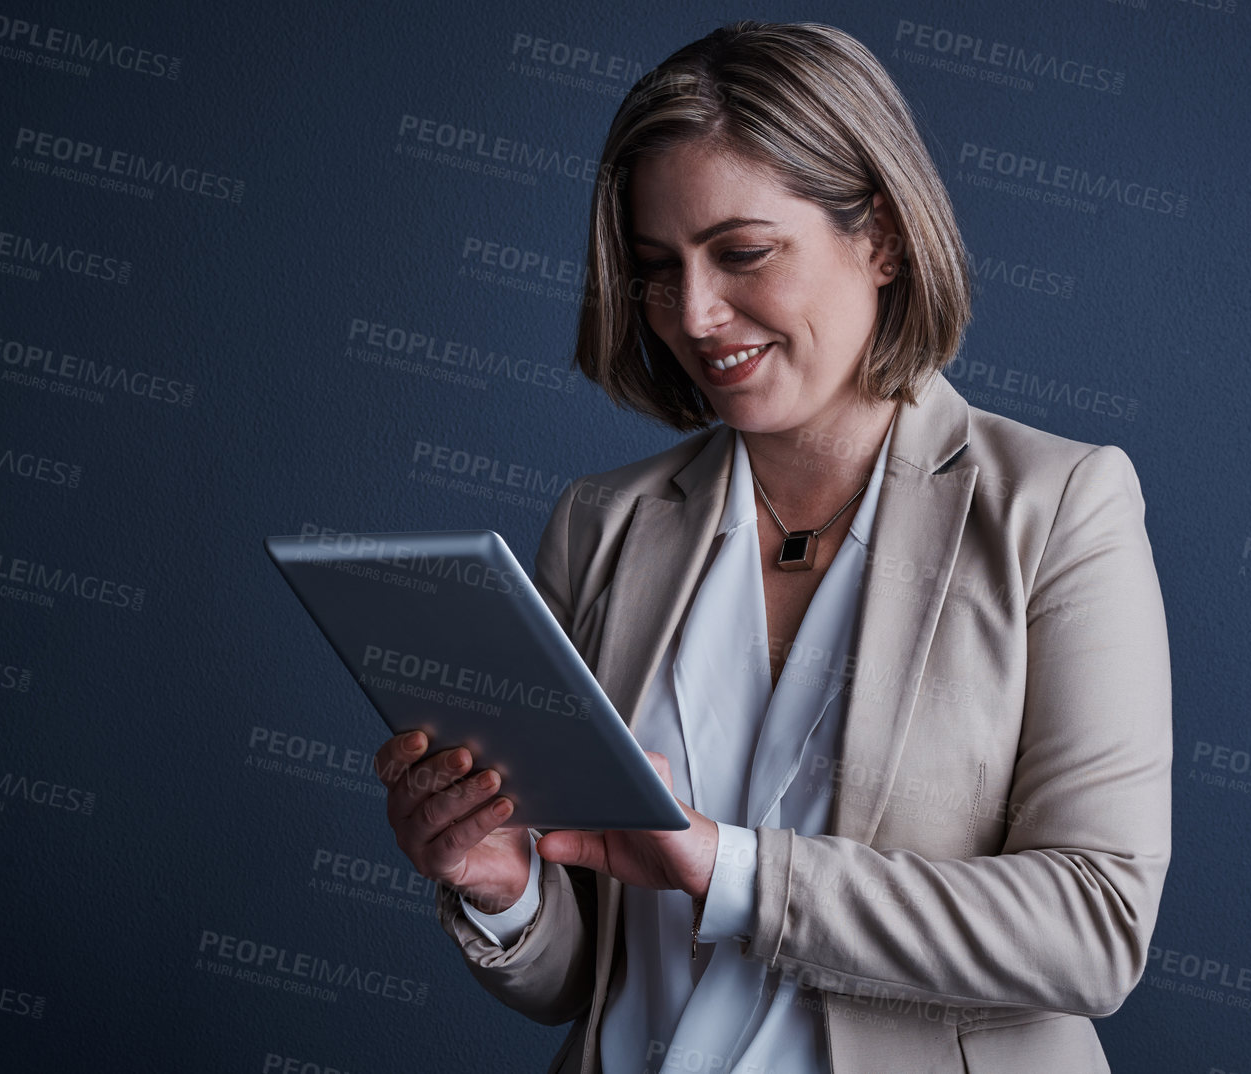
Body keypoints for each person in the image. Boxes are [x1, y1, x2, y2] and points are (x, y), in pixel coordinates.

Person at [374, 20, 1171, 1074]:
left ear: (881, 237)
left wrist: (730, 869)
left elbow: (1095, 926)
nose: (694, 315)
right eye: (659, 269)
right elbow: (585, 972)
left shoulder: (1061, 506)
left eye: (742, 252)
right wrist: (505, 887)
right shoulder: (599, 524)